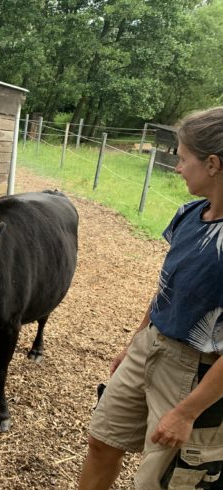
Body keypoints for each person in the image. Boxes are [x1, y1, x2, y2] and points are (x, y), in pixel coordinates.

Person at [77, 106, 223, 490]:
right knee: (102, 440)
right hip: (151, 346)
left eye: (183, 158)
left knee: (161, 482)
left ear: (212, 164)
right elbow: (167, 288)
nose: (177, 167)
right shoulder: (189, 214)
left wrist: (188, 412)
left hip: (198, 372)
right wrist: (136, 342)